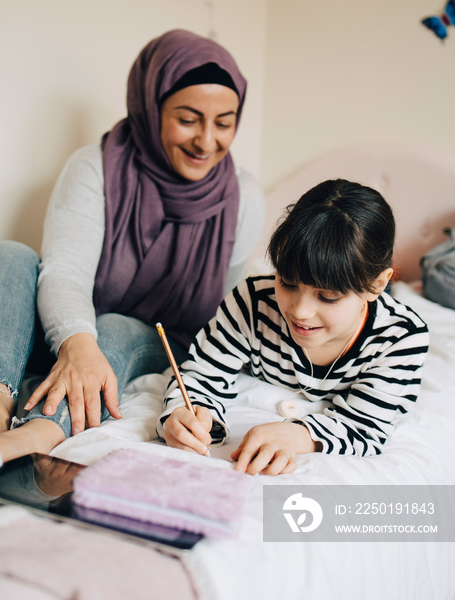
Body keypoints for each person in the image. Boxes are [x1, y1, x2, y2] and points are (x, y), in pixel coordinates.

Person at [0, 29, 265, 473]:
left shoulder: (244, 197)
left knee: (115, 325)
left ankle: (33, 435)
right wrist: (77, 343)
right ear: (151, 106)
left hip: (155, 342)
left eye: (224, 122)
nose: (208, 141)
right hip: (68, 332)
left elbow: (228, 313)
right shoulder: (94, 165)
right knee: (8, 255)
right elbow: (64, 273)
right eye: (189, 118)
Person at [158, 178, 429, 476]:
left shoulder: (401, 338)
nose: (300, 311)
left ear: (377, 285)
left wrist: (297, 435)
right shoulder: (251, 301)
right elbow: (202, 376)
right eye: (287, 283)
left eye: (328, 297)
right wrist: (186, 413)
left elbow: (365, 426)